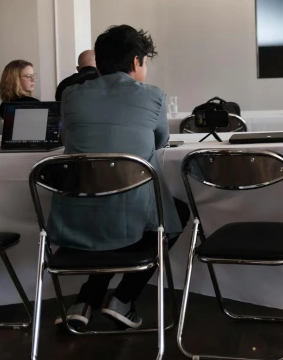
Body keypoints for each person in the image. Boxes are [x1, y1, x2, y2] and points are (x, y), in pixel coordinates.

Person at [47, 25, 189, 330]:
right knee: (174, 214)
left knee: (117, 217)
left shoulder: (71, 95)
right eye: (145, 62)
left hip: (73, 223)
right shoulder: (153, 96)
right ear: (137, 61)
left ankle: (86, 300)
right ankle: (123, 299)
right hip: (130, 223)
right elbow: (160, 142)